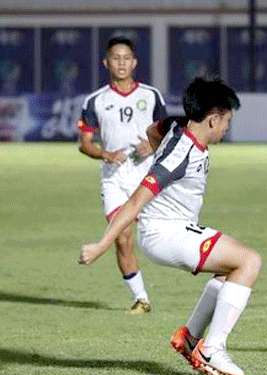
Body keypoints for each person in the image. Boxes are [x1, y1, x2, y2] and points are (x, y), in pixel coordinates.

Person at [79, 78, 261, 375]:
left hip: (177, 228)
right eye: (227, 121)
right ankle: (212, 348)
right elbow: (134, 203)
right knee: (249, 261)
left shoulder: (177, 124)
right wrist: (101, 246)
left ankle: (189, 338)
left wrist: (152, 147)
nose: (227, 128)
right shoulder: (180, 155)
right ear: (213, 119)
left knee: (231, 270)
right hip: (165, 234)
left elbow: (154, 130)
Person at [77, 36, 168, 314]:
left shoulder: (151, 96)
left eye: (126, 58)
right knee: (122, 237)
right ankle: (141, 299)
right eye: (116, 58)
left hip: (147, 176)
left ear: (135, 62)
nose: (121, 63)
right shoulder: (95, 100)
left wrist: (152, 145)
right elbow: (85, 144)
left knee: (161, 237)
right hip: (114, 179)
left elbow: (168, 134)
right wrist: (105, 154)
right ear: (106, 63)